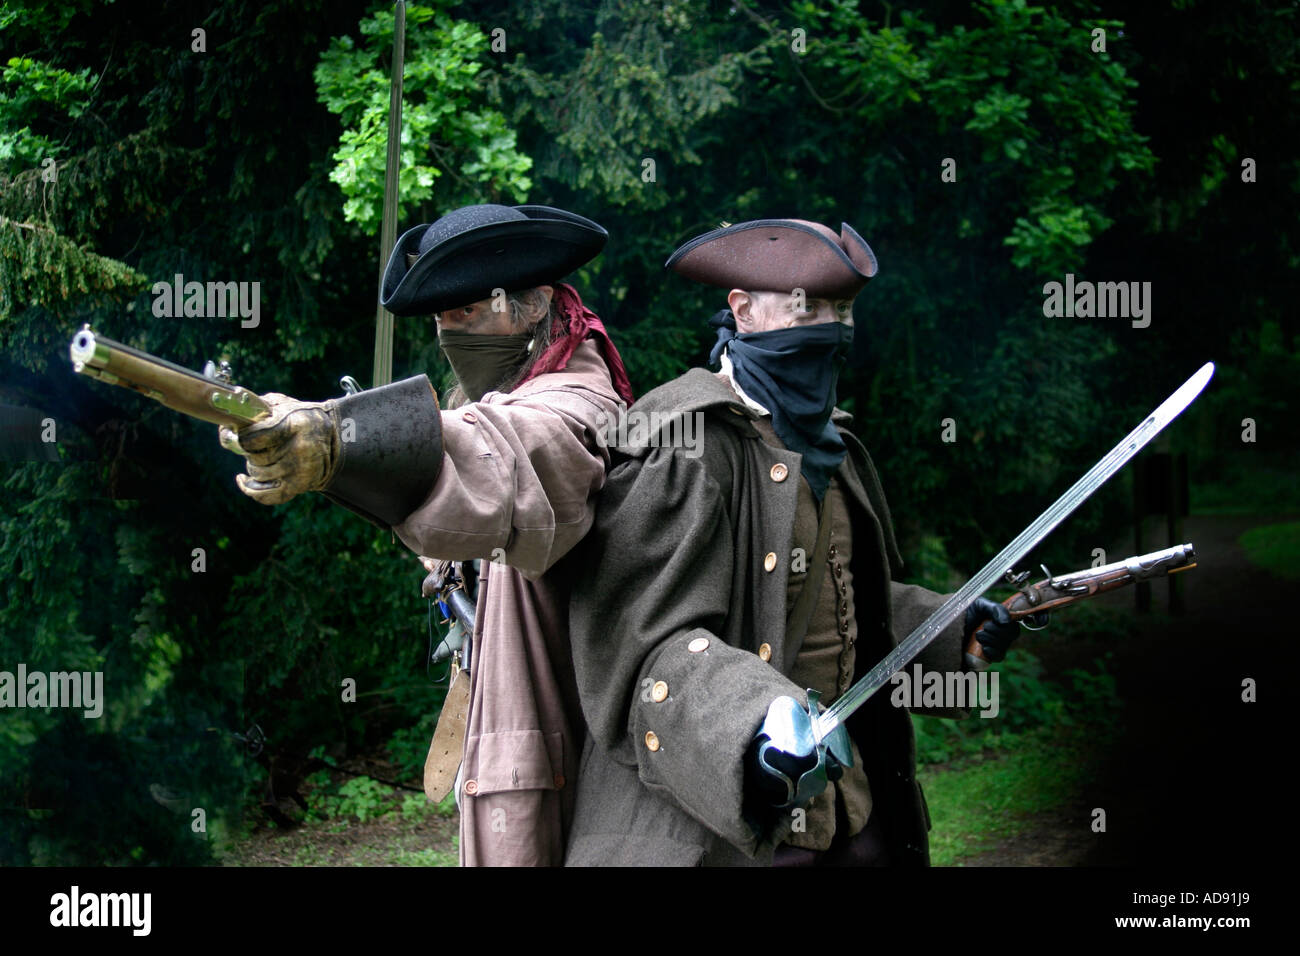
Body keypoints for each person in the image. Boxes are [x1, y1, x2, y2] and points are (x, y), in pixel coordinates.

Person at [564, 217, 1018, 866]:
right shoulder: (681, 445)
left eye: (841, 307)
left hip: (849, 799)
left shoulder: (832, 444)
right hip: (723, 817)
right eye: (806, 305)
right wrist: (756, 725)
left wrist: (952, 629)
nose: (828, 324)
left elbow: (842, 595)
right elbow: (643, 643)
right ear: (742, 311)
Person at [218, 203, 634, 865]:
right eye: (442, 319)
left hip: (567, 760)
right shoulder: (497, 399)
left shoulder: (578, 409)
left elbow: (504, 458)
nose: (449, 333)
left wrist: (337, 437)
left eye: (465, 313)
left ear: (534, 306)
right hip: (513, 735)